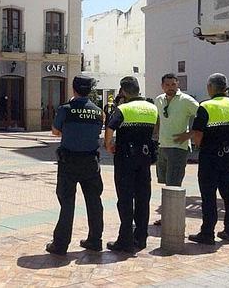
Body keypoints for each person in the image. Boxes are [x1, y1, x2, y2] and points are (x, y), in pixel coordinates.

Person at [45, 76, 104, 255]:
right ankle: (95, 240)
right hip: (91, 162)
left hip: (69, 162)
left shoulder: (65, 109)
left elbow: (55, 131)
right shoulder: (98, 111)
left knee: (67, 203)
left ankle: (60, 244)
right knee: (94, 202)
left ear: (74, 89)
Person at [185, 73, 229, 245]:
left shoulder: (206, 106)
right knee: (228, 194)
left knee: (208, 195)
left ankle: (207, 233)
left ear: (210, 87)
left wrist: (199, 145)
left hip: (210, 156)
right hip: (228, 156)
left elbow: (198, 135)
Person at [105, 76, 158, 252]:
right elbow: (156, 130)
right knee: (143, 198)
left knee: (125, 199)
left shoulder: (123, 109)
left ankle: (125, 239)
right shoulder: (152, 108)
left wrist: (108, 145)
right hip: (145, 157)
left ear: (124, 91)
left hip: (125, 158)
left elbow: (110, 128)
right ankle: (141, 238)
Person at [153, 73, 199, 225]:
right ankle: (169, 214)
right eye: (167, 85)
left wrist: (190, 134)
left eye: (173, 84)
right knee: (167, 182)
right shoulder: (159, 100)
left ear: (177, 84)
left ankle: (173, 218)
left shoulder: (186, 100)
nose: (170, 88)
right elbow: (158, 118)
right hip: (163, 146)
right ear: (162, 86)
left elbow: (202, 116)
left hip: (178, 148)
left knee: (174, 184)